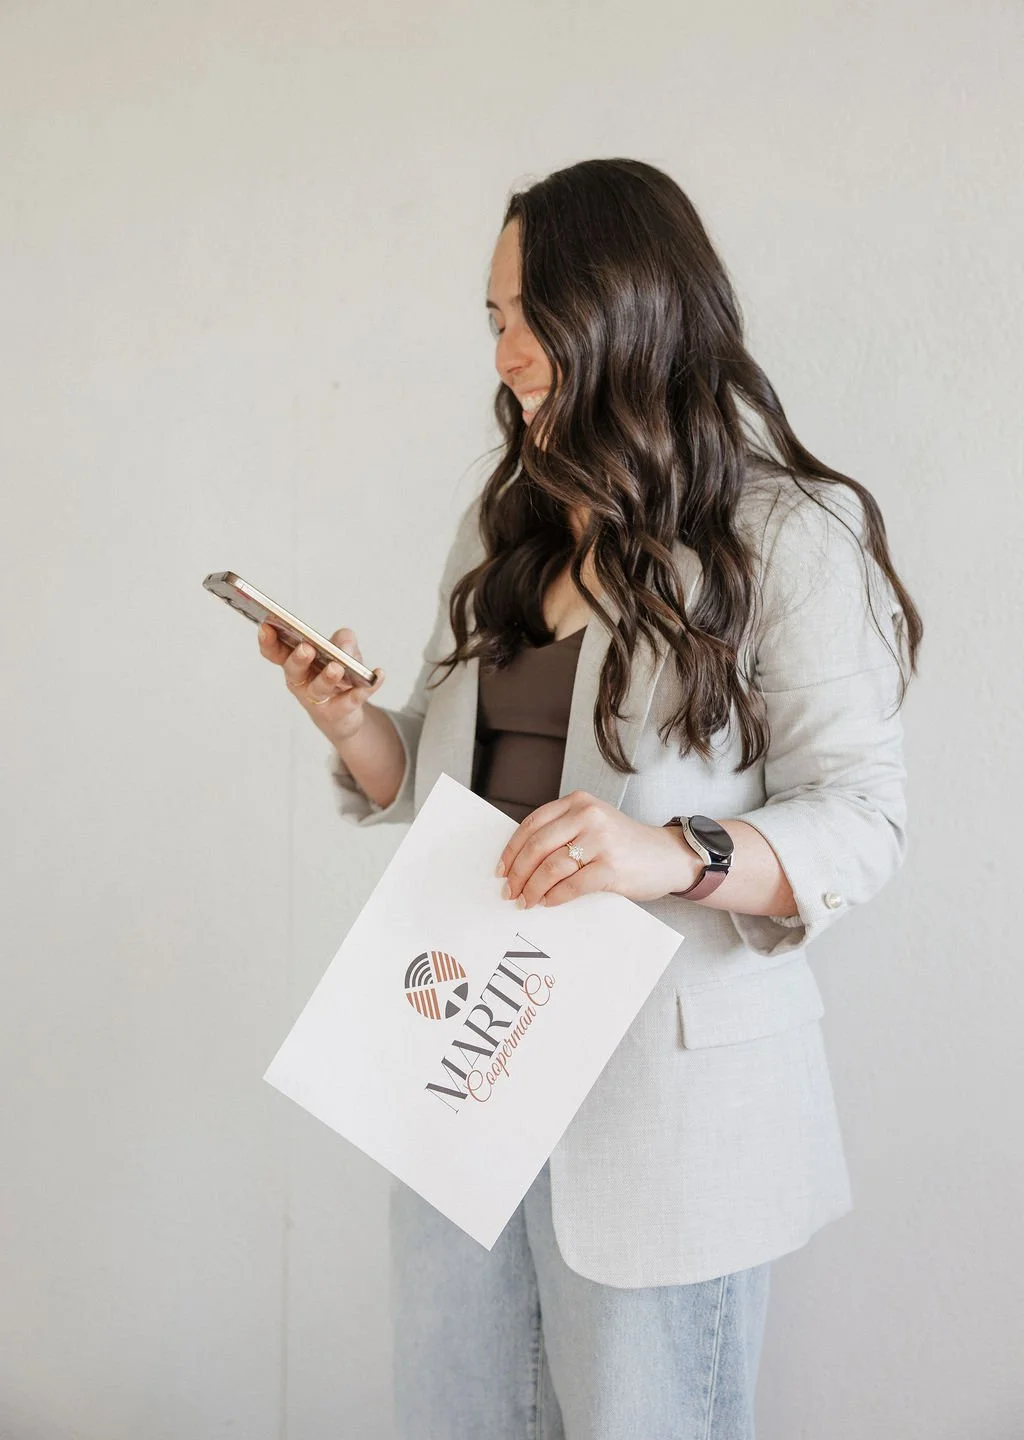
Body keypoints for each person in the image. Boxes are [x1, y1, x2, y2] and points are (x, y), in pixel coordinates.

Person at [257, 158, 922, 1440]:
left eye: (526, 314)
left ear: (624, 306)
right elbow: (463, 795)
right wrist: (350, 723)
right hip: (466, 1080)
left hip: (663, 1112)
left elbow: (863, 817)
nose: (503, 351)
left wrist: (668, 853)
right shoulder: (505, 526)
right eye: (492, 318)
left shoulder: (787, 534)